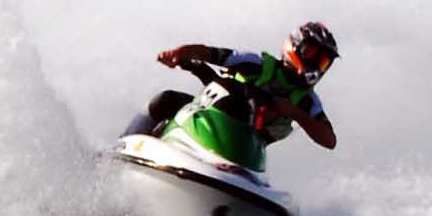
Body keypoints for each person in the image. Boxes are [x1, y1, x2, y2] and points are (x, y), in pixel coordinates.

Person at [132, 21, 339, 156]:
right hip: (205, 121)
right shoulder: (255, 63)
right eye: (313, 55)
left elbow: (329, 140)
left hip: (245, 151)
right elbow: (210, 53)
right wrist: (178, 53)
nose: (316, 66)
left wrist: (292, 112)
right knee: (165, 100)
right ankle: (120, 150)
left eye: (323, 63)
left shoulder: (307, 101)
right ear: (295, 47)